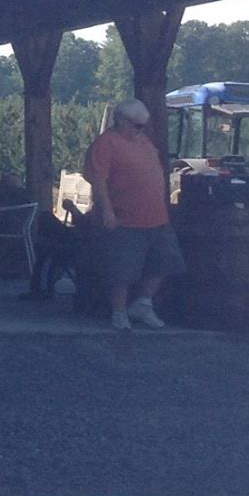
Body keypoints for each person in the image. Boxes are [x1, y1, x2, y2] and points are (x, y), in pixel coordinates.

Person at [82, 98, 185, 330]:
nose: (141, 130)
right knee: (122, 270)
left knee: (165, 262)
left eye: (143, 126)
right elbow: (99, 180)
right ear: (120, 120)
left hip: (156, 217)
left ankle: (143, 304)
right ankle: (118, 312)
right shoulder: (105, 144)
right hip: (124, 218)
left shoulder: (143, 141)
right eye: (137, 125)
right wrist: (107, 212)